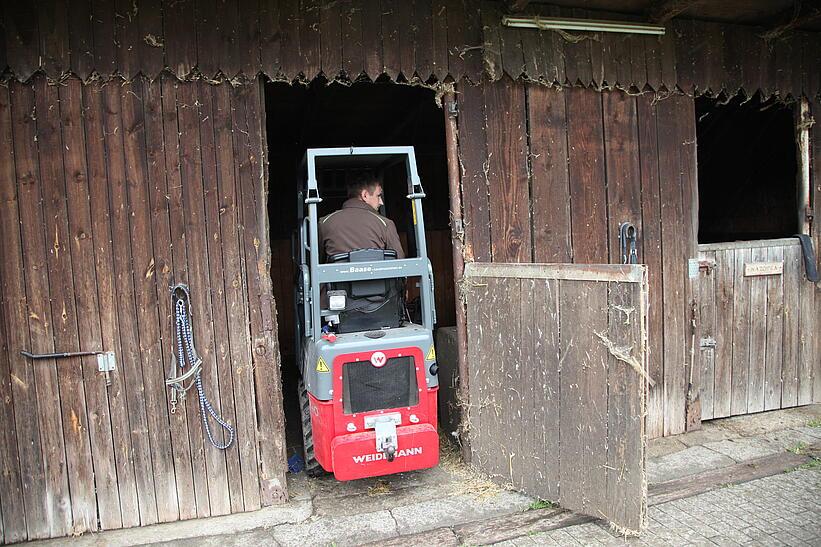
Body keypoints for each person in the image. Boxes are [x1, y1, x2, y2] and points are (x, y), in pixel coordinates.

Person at [318, 172, 406, 261]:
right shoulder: (385, 224)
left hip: (335, 275)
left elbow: (317, 262)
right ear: (365, 195)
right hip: (377, 275)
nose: (381, 202)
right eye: (378, 196)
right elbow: (400, 263)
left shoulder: (324, 222)